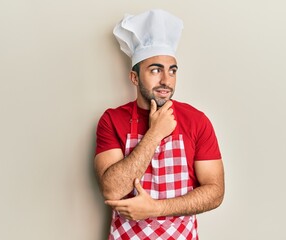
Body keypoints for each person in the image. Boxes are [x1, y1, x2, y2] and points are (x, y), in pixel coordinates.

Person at [94, 9, 224, 240]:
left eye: (172, 71)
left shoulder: (196, 120)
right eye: (155, 70)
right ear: (134, 77)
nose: (166, 80)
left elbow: (215, 192)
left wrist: (156, 208)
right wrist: (155, 134)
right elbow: (112, 189)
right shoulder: (112, 119)